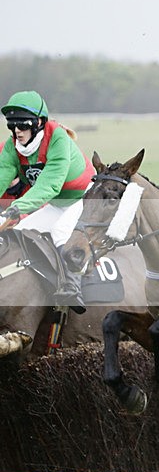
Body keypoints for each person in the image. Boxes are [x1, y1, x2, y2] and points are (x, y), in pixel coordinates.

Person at [0, 90, 97, 313]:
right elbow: (2, 177)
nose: (17, 131)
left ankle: (73, 287)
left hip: (83, 198)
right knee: (23, 230)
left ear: (39, 123)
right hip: (57, 202)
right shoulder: (12, 146)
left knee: (62, 232)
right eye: (12, 125)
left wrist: (16, 208)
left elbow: (49, 185)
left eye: (23, 125)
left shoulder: (58, 140)